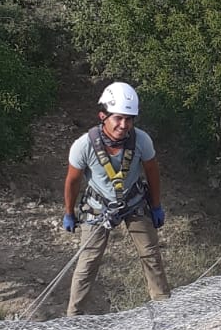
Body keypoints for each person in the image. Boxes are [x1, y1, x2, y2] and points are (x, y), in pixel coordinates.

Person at [62, 82, 170, 316]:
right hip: (98, 207)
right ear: (103, 116)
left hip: (134, 201)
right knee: (87, 263)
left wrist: (156, 205)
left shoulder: (141, 140)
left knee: (150, 254)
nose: (124, 125)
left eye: (129, 119)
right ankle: (73, 317)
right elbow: (72, 181)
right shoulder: (84, 146)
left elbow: (152, 172)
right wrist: (69, 212)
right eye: (119, 119)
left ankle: (163, 306)